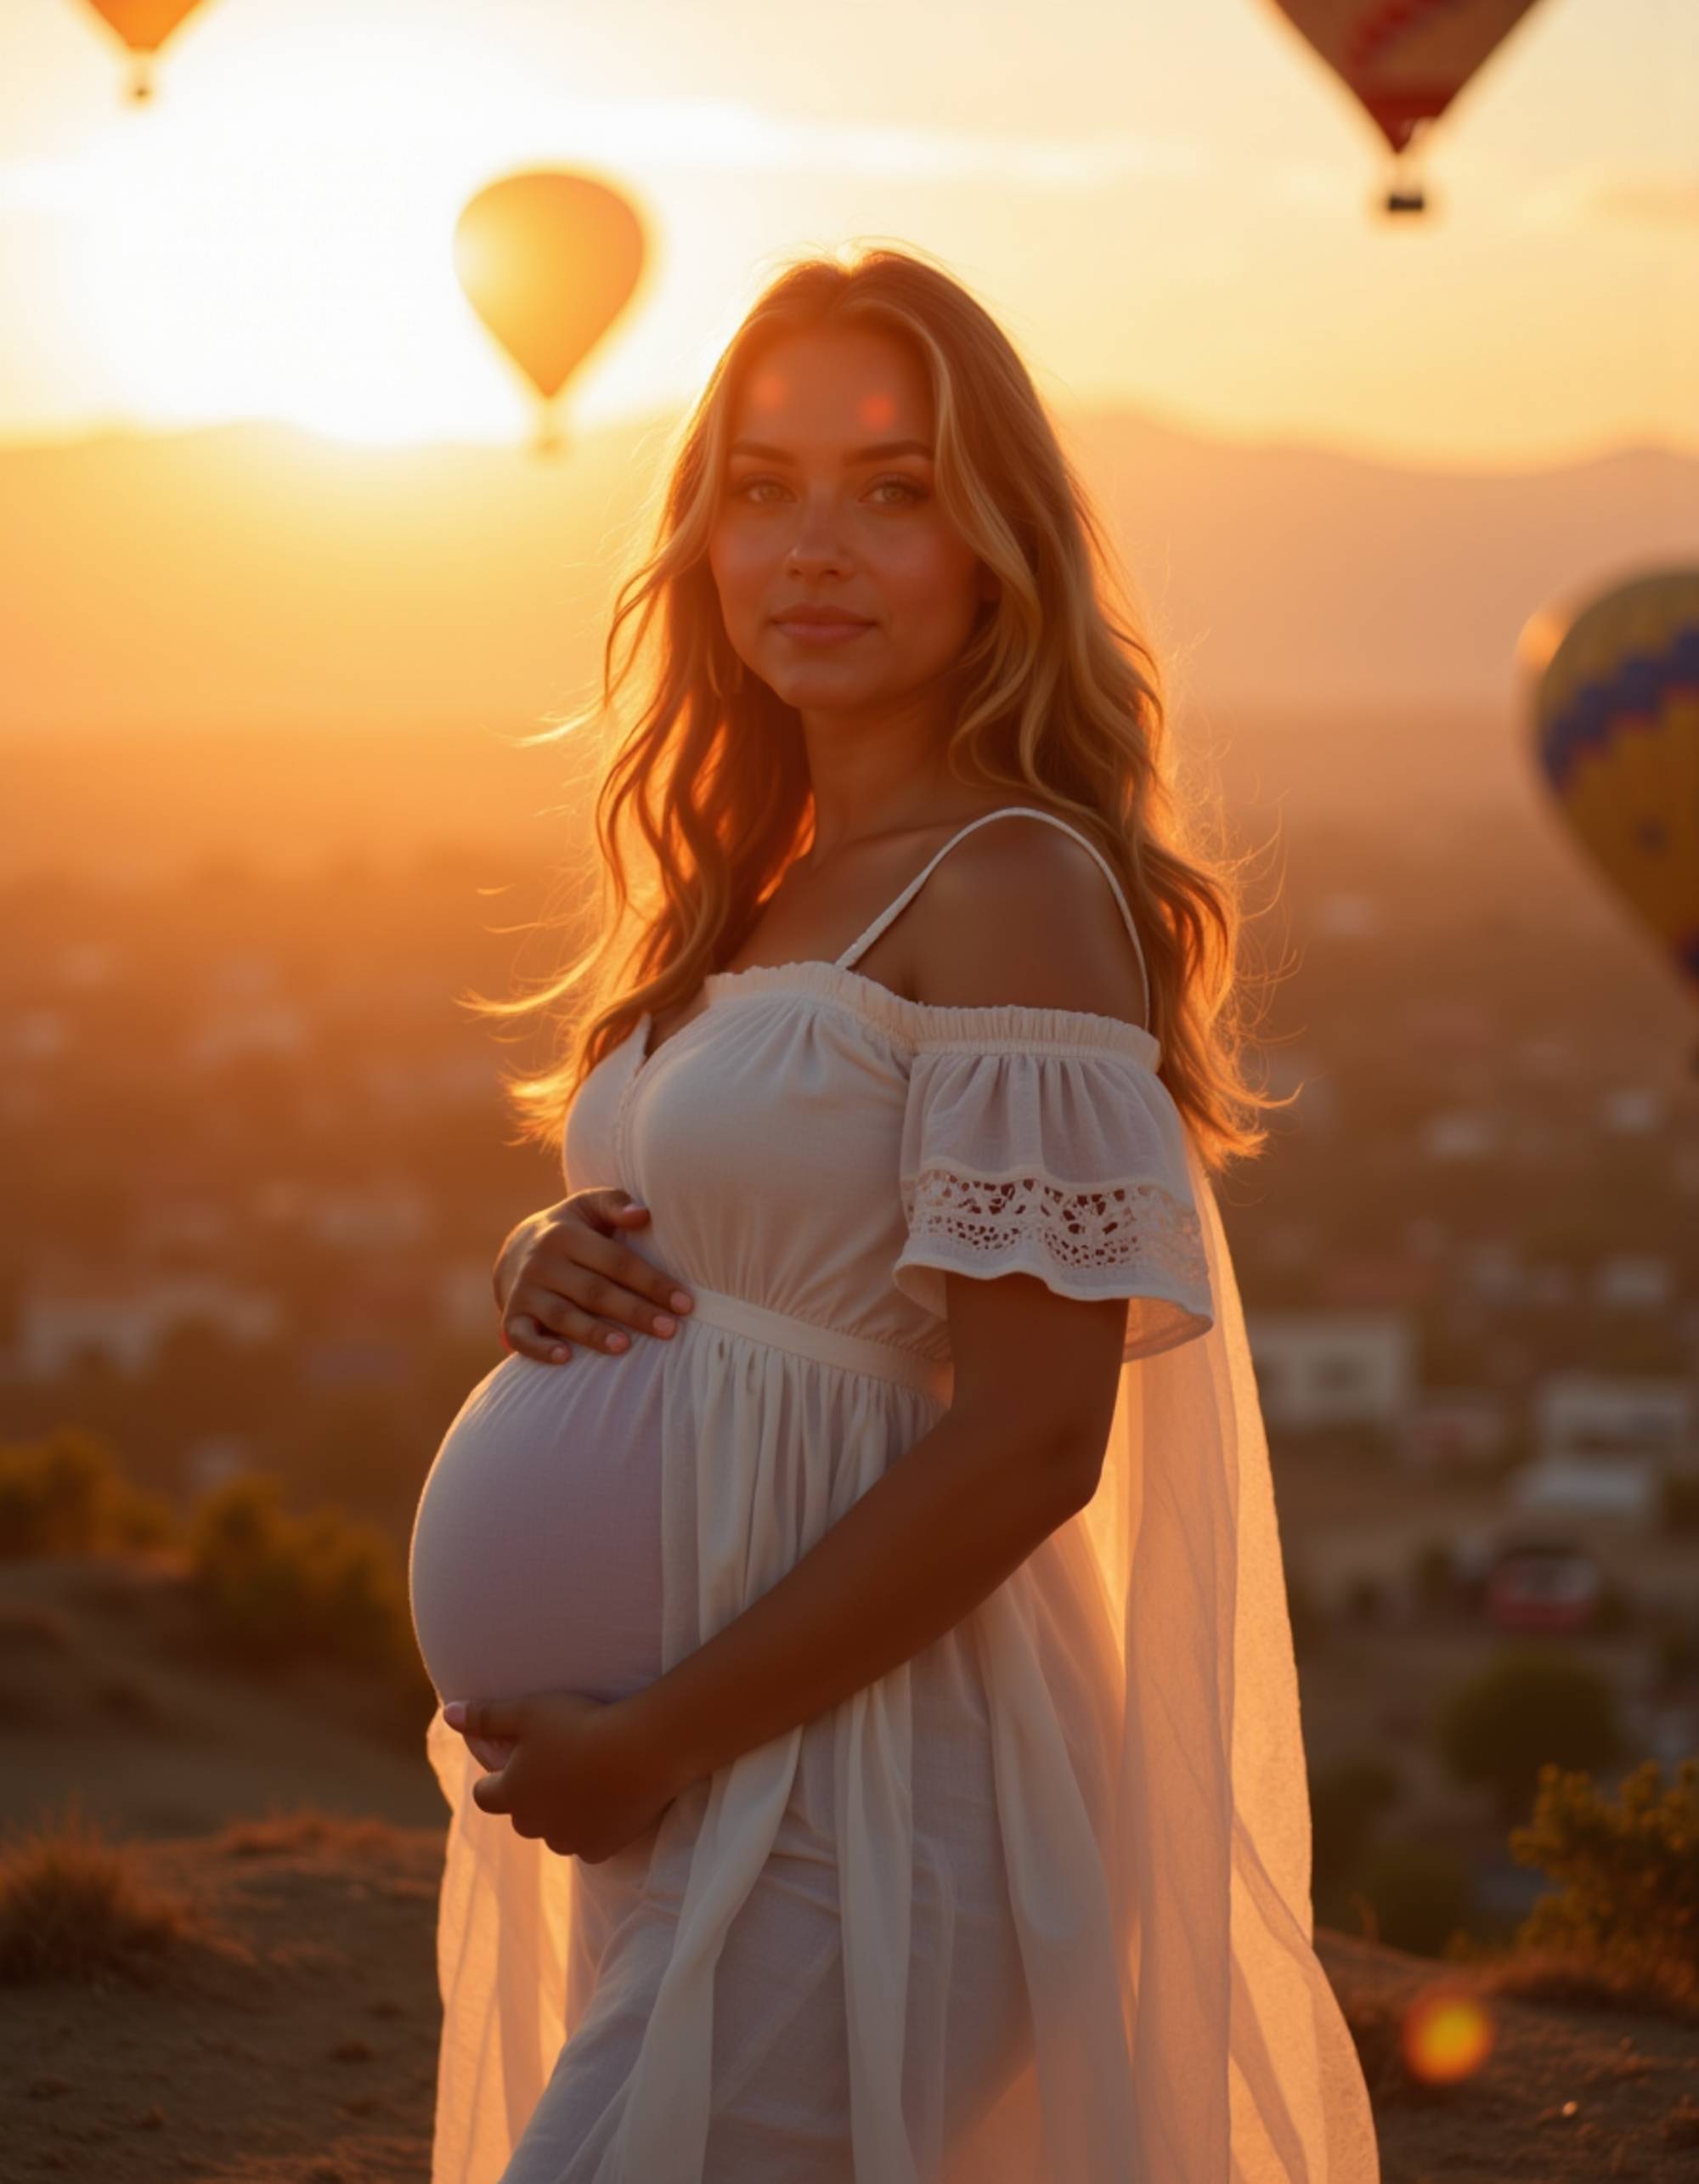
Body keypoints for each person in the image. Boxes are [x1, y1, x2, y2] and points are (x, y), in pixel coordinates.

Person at [414, 244, 1382, 2182]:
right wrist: (551, 1254)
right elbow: (746, 1240)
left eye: (894, 489)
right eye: (762, 490)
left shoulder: (1008, 884)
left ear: (998, 545)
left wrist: (662, 1734)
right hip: (696, 1767)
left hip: (867, 1777)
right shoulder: (753, 876)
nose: (814, 550)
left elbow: (1033, 1436)